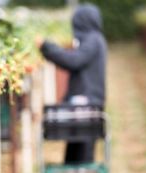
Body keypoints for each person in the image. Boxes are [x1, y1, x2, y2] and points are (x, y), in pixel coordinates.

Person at [37, 4, 107, 164]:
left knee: (83, 153)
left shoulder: (93, 40)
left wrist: (47, 47)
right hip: (84, 106)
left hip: (88, 106)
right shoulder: (94, 40)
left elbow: (74, 61)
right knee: (75, 150)